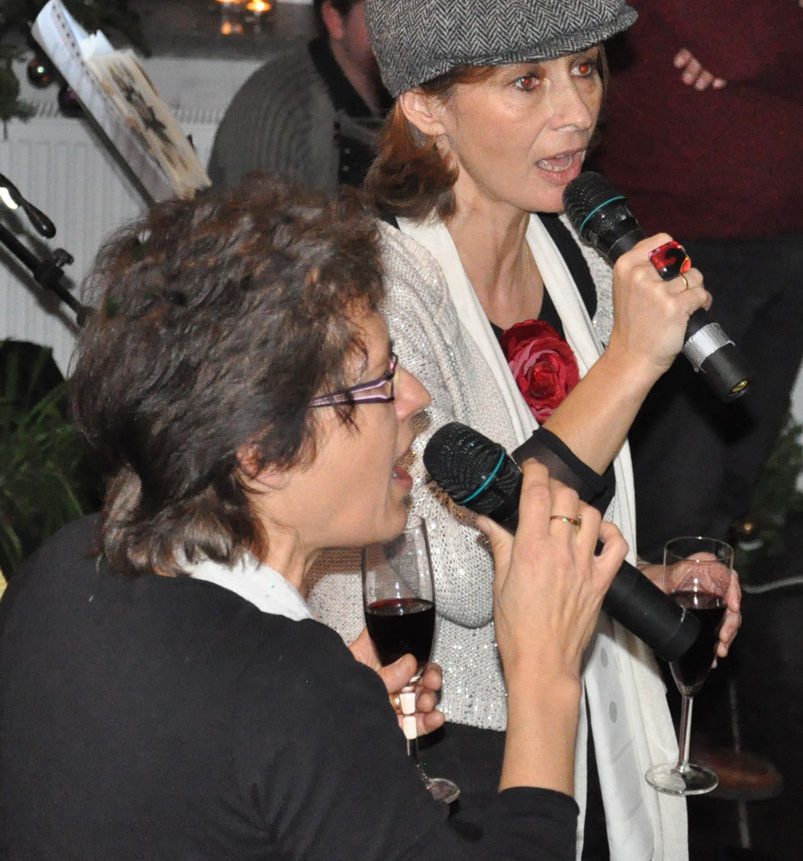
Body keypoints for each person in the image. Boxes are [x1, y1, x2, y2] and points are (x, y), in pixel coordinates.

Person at [0, 174, 629, 859]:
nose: (414, 397)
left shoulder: (62, 568)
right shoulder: (288, 691)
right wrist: (543, 675)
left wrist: (337, 736)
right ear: (263, 452)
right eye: (379, 380)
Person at [305, 0, 742, 861]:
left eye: (584, 69)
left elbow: (565, 524)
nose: (575, 112)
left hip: (580, 710)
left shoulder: (576, 250)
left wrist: (643, 583)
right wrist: (630, 363)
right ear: (425, 105)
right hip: (439, 739)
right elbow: (462, 575)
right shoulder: (371, 287)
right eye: (525, 82)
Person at [575, 0, 803, 561]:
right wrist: (777, 20)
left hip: (782, 222)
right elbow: (739, 35)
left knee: (728, 493)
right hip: (687, 229)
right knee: (672, 506)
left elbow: (750, 40)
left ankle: (698, 621)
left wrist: (773, 30)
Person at [208, 0, 410, 193]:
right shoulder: (280, 110)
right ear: (335, 20)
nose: (406, 29)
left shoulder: (417, 94)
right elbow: (261, 219)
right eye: (386, 14)